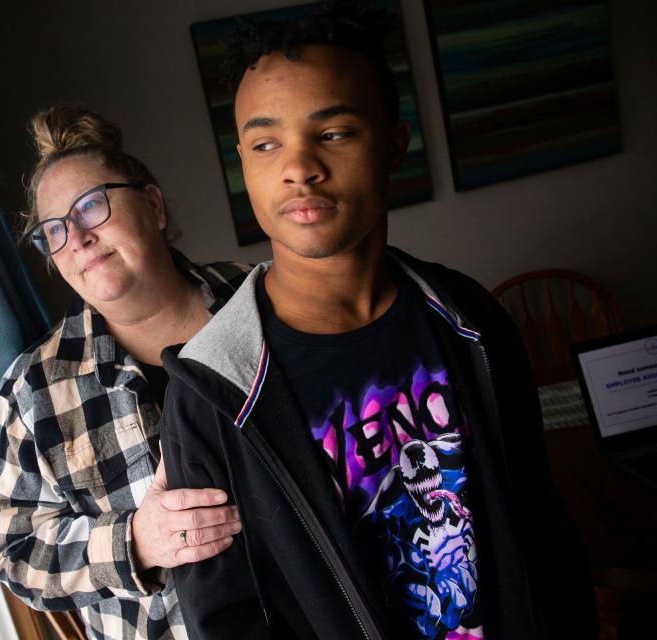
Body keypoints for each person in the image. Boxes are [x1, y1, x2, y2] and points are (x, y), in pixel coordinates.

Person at [160, 3, 598, 638]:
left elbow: (539, 520)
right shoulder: (211, 394)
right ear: (244, 164)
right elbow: (226, 617)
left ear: (394, 144)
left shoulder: (470, 319)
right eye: (265, 143)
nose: (298, 166)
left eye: (334, 132)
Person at [0, 104, 249, 639]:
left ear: (153, 206)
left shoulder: (261, 303)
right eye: (52, 231)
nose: (76, 238)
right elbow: (15, 552)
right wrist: (135, 542)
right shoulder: (35, 391)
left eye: (91, 207)